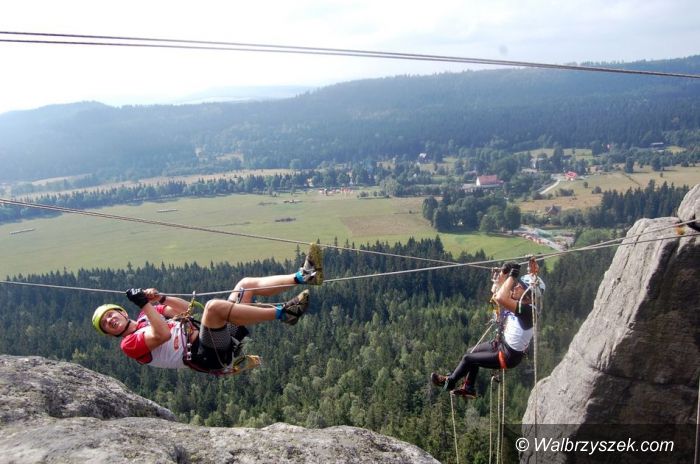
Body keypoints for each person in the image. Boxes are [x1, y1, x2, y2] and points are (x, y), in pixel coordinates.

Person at [92, 243, 323, 373]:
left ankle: (303, 276)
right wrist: (144, 303)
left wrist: (161, 299)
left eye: (110, 314)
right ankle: (284, 313)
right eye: (106, 324)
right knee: (213, 308)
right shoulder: (129, 344)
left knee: (245, 285)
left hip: (215, 339)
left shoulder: (146, 316)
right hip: (205, 354)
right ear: (110, 333)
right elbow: (162, 334)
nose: (110, 320)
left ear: (122, 312)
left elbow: (186, 310)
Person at [430, 261, 545, 397]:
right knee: (471, 352)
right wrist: (504, 273)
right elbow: (498, 292)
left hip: (508, 355)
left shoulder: (529, 311)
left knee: (468, 358)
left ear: (528, 294)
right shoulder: (521, 304)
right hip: (502, 345)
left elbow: (500, 298)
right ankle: (469, 387)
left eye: (520, 286)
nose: (516, 286)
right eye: (517, 284)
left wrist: (513, 275)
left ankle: (450, 382)